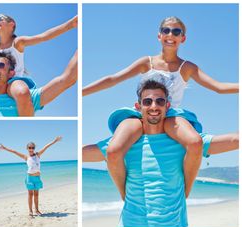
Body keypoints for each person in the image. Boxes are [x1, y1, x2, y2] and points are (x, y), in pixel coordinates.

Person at [83, 16, 238, 200]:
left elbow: (218, 87)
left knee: (195, 142)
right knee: (113, 149)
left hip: (171, 115)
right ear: (159, 36)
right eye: (166, 30)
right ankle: (126, 195)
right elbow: (113, 79)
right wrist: (82, 93)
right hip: (142, 114)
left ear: (183, 38)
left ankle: (185, 193)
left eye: (176, 31)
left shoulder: (186, 67)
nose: (170, 35)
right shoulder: (146, 62)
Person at [83, 79, 239, 227]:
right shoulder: (125, 142)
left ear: (167, 106)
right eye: (147, 101)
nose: (154, 106)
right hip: (131, 224)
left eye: (160, 101)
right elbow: (84, 153)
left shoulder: (183, 140)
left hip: (173, 226)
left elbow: (234, 140)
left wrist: (186, 189)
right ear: (138, 107)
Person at [0, 136, 62, 217]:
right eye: (29, 147)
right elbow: (14, 151)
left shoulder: (38, 155)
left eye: (32, 147)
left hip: (37, 178)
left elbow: (46, 147)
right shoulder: (26, 157)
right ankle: (30, 211)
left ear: (34, 148)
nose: (31, 149)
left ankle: (37, 210)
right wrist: (4, 148)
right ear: (27, 148)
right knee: (30, 195)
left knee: (36, 195)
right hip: (30, 178)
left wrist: (54, 141)